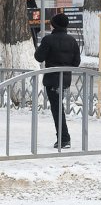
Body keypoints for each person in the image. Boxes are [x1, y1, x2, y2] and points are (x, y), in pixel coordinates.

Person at [34, 13, 81, 149]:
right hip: (65, 78)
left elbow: (39, 57)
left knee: (57, 108)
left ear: (54, 25)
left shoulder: (48, 39)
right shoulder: (72, 40)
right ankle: (63, 138)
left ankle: (64, 138)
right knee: (58, 107)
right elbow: (76, 62)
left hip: (52, 78)